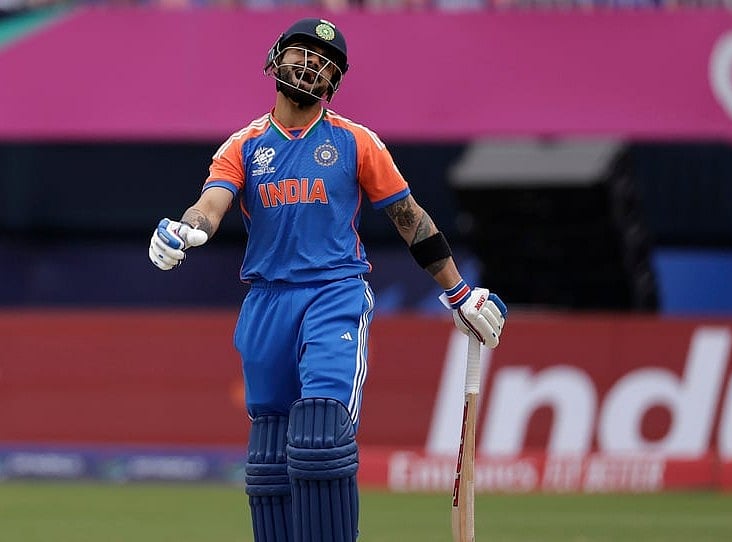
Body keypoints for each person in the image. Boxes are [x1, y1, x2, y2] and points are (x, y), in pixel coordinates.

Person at [147, 17, 507, 542]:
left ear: (334, 81)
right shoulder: (244, 145)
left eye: (325, 62)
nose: (311, 65)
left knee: (318, 439)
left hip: (333, 295)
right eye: (302, 53)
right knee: (269, 461)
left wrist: (458, 291)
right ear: (276, 58)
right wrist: (187, 228)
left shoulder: (356, 141)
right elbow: (212, 203)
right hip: (267, 302)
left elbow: (410, 219)